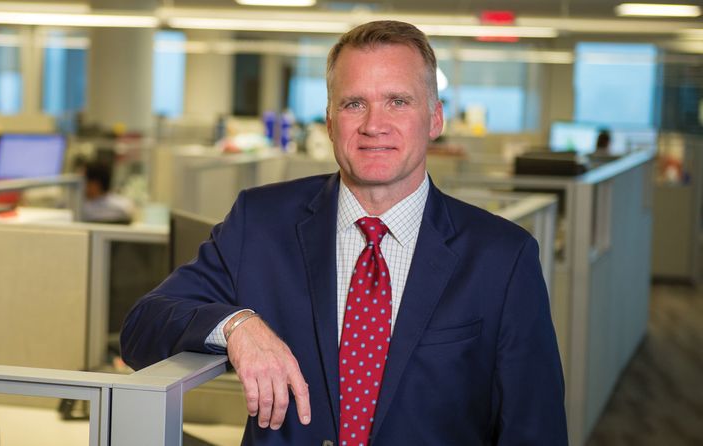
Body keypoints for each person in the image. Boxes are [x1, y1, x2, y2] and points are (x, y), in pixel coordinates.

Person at [121, 20, 567, 445]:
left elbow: (534, 428)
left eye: (398, 101)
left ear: (435, 118)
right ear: (331, 122)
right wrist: (238, 326)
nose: (374, 125)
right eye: (354, 103)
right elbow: (142, 329)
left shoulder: (501, 257)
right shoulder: (260, 223)